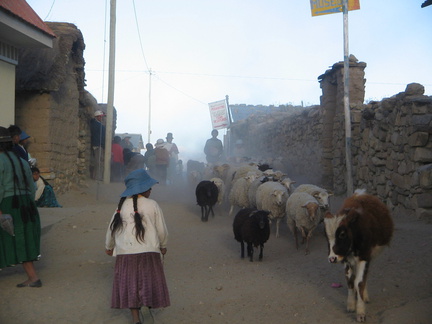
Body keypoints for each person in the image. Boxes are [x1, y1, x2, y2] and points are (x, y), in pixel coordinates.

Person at [105, 169, 170, 324]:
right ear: (143, 189)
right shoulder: (152, 205)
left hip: (125, 253)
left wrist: (109, 246)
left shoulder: (121, 206)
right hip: (149, 251)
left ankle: (135, 319)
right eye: (149, 187)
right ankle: (146, 305)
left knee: (130, 285)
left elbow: (111, 229)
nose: (151, 189)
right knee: (147, 281)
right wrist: (163, 245)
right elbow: (161, 229)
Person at [0, 126, 42, 287]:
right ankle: (33, 277)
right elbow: (32, 187)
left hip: (9, 203)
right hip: (27, 204)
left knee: (13, 237)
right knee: (24, 237)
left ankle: (34, 278)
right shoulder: (22, 161)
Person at [90, 110, 106, 180]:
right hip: (98, 145)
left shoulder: (95, 124)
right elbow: (101, 137)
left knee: (98, 161)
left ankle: (96, 176)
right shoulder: (98, 125)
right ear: (97, 117)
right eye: (100, 117)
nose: (101, 118)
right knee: (98, 161)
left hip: (97, 144)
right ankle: (97, 176)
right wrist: (103, 145)